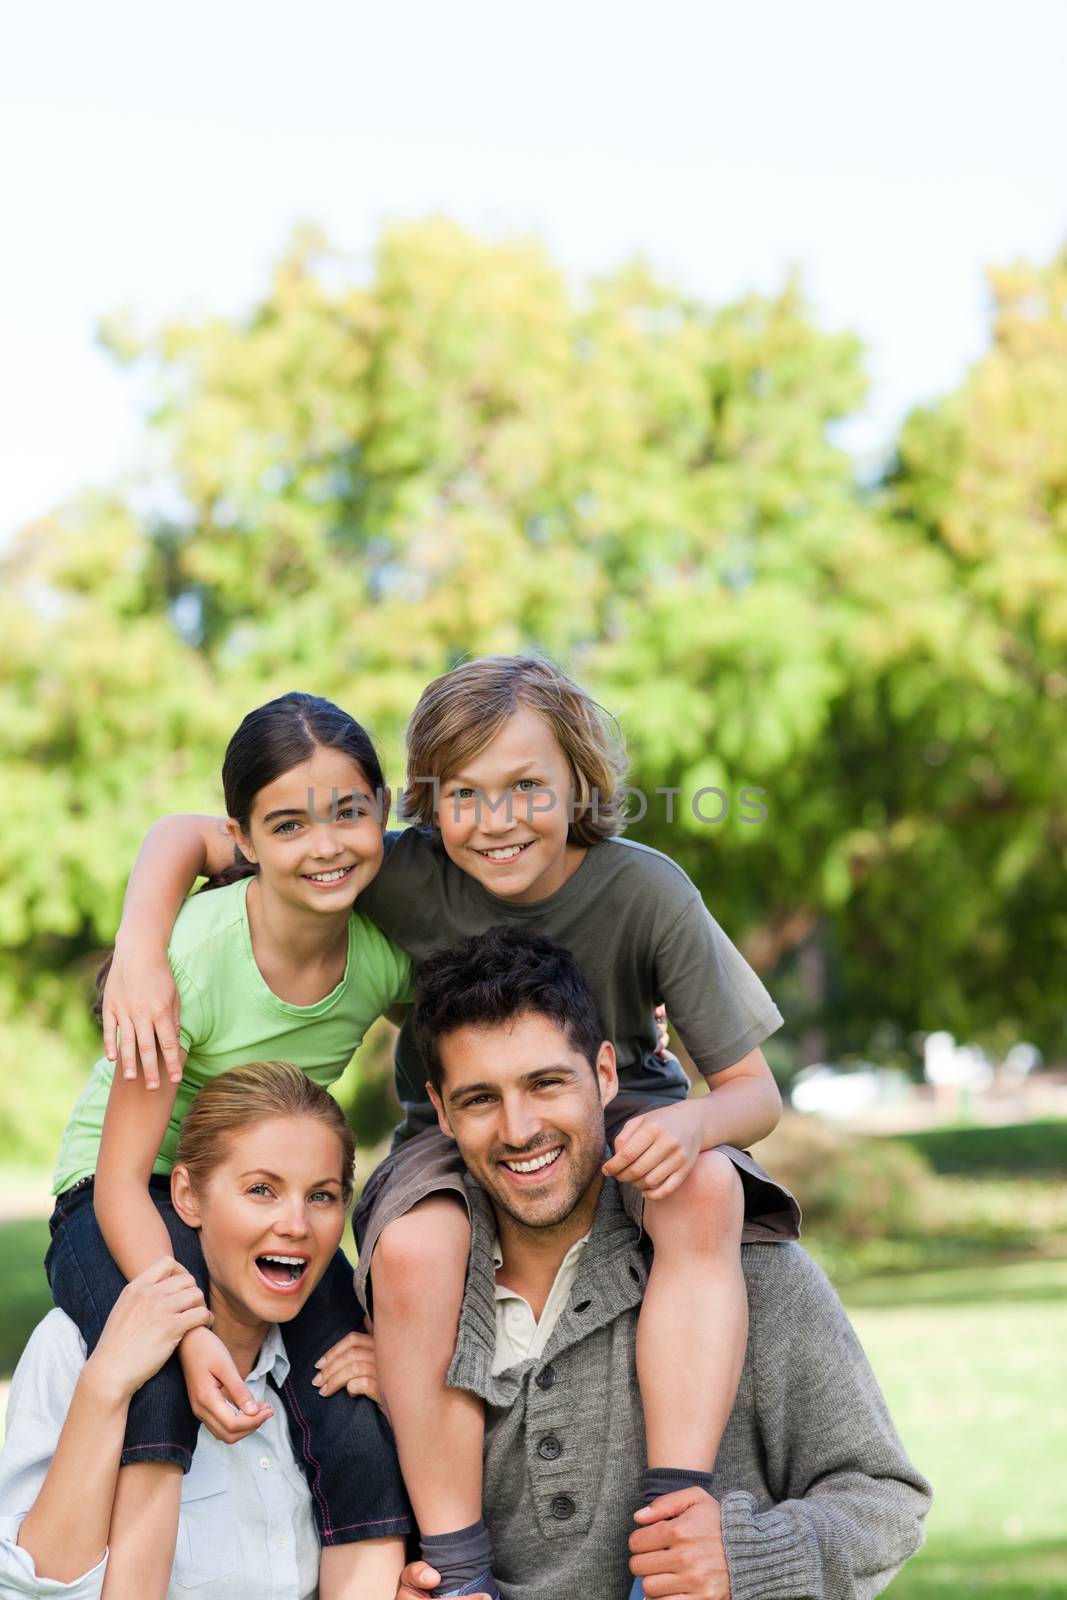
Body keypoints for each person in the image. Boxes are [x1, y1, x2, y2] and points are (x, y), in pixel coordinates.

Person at [96, 654, 799, 1599]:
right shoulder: (392, 870)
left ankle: (670, 1518)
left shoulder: (647, 891)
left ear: (580, 783)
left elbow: (756, 1093)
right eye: (463, 795)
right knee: (421, 1245)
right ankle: (459, 1567)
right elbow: (193, 834)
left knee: (706, 1186)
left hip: (620, 1104)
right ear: (424, 803)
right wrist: (141, 951)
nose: (498, 821)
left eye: (527, 789)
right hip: (449, 1120)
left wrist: (697, 1123)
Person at [377, 925, 932, 1600]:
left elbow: (886, 1502)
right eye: (479, 1099)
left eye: (546, 1083)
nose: (518, 1129)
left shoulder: (748, 1271)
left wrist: (747, 1559)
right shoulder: (406, 1300)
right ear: (439, 1109)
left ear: (605, 1073)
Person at [46, 693, 413, 1600]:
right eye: (288, 824)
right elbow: (125, 1182)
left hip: (262, 1196)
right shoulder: (195, 959)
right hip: (120, 1187)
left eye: (348, 813)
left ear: (384, 812)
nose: (325, 845)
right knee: (163, 1376)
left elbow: (476, 1023)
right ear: (243, 838)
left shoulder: (381, 959)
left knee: (354, 1403)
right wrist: (197, 1326)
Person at [1, 1061, 406, 1598]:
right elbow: (33, 1591)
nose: (296, 1225)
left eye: (321, 1196)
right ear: (189, 1196)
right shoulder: (73, 1347)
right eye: (262, 1189)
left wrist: (402, 1409)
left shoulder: (335, 1379)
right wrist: (106, 1385)